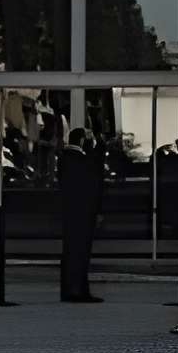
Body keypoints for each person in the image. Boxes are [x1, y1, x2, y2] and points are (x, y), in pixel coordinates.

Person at [57, 124, 104, 303]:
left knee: (72, 250)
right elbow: (92, 178)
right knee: (79, 251)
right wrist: (99, 147)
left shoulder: (67, 158)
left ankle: (73, 289)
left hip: (72, 212)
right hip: (81, 213)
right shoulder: (77, 159)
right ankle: (76, 289)